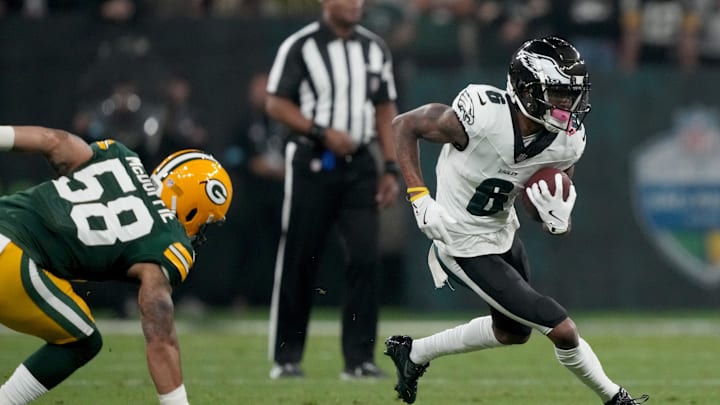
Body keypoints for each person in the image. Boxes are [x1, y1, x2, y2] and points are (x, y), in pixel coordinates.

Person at [384, 37, 650, 404]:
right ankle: (616, 398)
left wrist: (558, 220)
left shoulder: (566, 141)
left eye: (571, 94)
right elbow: (403, 126)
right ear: (526, 89)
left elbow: (543, 198)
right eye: (557, 93)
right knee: (561, 329)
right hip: (459, 240)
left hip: (502, 234)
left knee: (512, 332)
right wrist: (419, 197)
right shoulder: (481, 115)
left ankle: (412, 353)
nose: (566, 105)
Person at [0, 125, 233, 404]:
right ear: (195, 208)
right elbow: (159, 330)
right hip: (12, 257)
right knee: (82, 340)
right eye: (205, 224)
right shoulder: (170, 242)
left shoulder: (119, 155)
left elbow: (54, 141)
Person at [265, 0, 401, 379]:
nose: (355, 3)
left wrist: (389, 166)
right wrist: (320, 132)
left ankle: (359, 360)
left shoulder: (375, 47)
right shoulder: (301, 45)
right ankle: (286, 357)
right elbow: (276, 102)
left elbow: (384, 107)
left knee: (365, 258)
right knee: (300, 258)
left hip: (359, 164)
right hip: (312, 159)